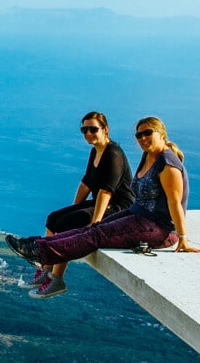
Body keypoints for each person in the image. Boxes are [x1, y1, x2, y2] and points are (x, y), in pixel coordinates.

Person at [6, 117, 199, 294]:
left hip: (157, 228)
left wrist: (182, 238)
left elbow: (175, 202)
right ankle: (37, 245)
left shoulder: (167, 164)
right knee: (93, 228)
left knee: (96, 235)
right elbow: (88, 183)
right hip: (138, 215)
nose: (142, 138)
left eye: (148, 133)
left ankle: (40, 253)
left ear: (162, 134)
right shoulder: (149, 156)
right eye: (139, 135)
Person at [20, 111, 134, 299]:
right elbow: (87, 183)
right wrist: (73, 209)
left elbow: (107, 191)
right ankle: (47, 269)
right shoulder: (95, 150)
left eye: (93, 129)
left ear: (105, 129)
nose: (88, 133)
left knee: (68, 223)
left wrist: (96, 223)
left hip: (119, 207)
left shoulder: (113, 153)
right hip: (102, 202)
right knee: (54, 218)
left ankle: (57, 279)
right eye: (84, 130)